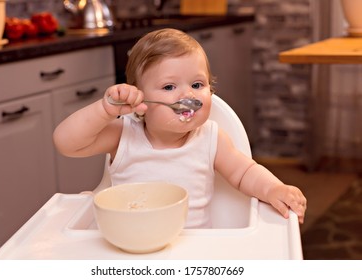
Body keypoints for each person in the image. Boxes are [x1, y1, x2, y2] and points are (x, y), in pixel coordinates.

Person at [53, 28, 307, 228]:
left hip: (191, 250)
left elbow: (245, 173)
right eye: (169, 87)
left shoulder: (210, 138)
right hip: (127, 245)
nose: (188, 94)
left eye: (197, 85)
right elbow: (66, 143)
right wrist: (104, 110)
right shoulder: (123, 135)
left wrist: (274, 189)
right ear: (140, 99)